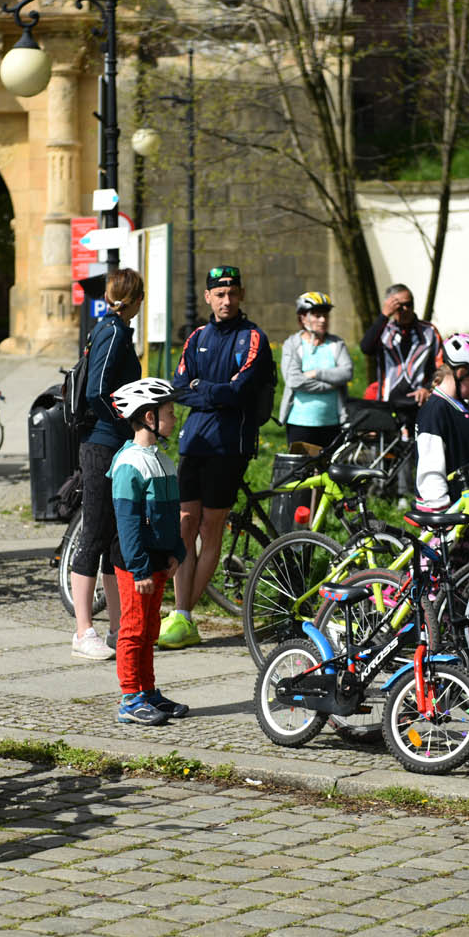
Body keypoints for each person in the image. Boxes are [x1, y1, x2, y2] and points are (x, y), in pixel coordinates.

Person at [166, 265, 272, 650]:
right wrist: (213, 391)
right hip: (194, 442)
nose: (226, 301)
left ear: (241, 295)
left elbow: (240, 392)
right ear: (208, 297)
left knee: (211, 529)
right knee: (184, 524)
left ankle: (183, 614)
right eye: (219, 294)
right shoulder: (197, 337)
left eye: (232, 294)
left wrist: (203, 389)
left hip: (230, 445)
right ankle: (181, 613)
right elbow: (179, 388)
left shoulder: (254, 337)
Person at [70, 268, 145, 661]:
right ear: (137, 300)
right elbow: (98, 390)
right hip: (102, 443)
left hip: (110, 443)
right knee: (95, 535)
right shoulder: (114, 331)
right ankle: (83, 631)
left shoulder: (109, 327)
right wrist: (126, 419)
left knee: (115, 538)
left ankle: (119, 627)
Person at [107, 377, 188, 726]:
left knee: (150, 628)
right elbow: (127, 524)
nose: (174, 419)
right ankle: (129, 697)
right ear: (148, 417)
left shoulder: (164, 461)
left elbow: (171, 514)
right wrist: (140, 569)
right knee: (134, 628)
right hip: (135, 563)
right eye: (169, 412)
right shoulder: (129, 463)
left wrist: (177, 551)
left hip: (158, 560)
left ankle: (148, 691)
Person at [412, 333, 469, 511]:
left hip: (467, 510)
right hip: (447, 514)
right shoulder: (435, 411)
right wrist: (440, 509)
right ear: (462, 373)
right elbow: (430, 465)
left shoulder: (461, 408)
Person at [278, 291, 352, 450]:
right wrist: (331, 384)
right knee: (301, 472)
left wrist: (316, 373)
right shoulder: (292, 345)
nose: (323, 320)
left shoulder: (336, 344)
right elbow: (293, 380)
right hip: (300, 422)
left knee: (329, 472)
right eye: (317, 316)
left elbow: (346, 373)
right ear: (303, 318)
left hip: (332, 422)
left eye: (325, 316)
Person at [360, 283, 441, 407]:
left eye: (409, 305)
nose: (405, 310)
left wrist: (427, 388)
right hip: (388, 402)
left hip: (420, 402)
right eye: (399, 306)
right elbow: (366, 348)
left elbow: (441, 368)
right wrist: (384, 316)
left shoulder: (429, 331)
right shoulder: (384, 331)